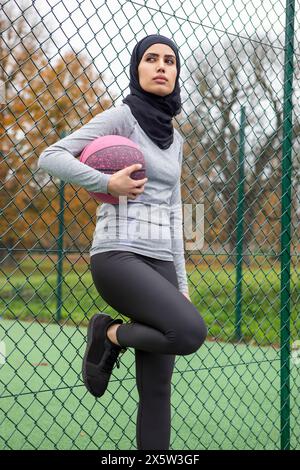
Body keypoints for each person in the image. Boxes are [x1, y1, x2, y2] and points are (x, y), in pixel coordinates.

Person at [37, 33, 207, 450]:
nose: (162, 66)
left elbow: (173, 213)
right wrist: (105, 182)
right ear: (138, 69)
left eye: (170, 60)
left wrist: (181, 286)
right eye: (152, 59)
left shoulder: (176, 137)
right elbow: (51, 156)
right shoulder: (121, 117)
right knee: (189, 333)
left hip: (161, 262)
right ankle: (109, 333)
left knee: (157, 392)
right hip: (119, 256)